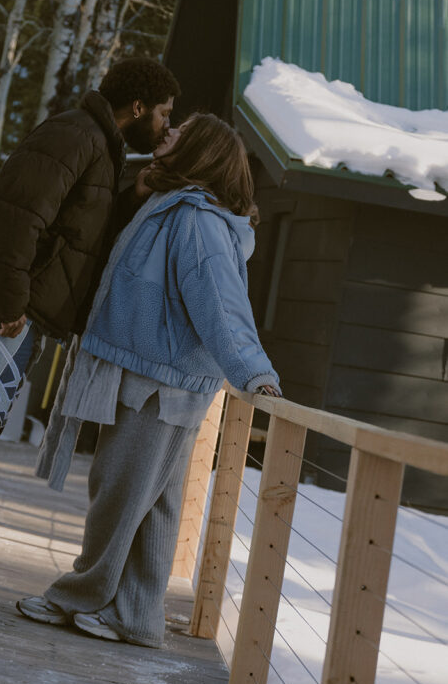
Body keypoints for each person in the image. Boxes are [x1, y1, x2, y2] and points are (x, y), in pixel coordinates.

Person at [0, 57, 181, 628]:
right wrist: (9, 304)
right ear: (137, 108)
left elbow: (74, 230)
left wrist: (131, 195)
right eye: (165, 113)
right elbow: (13, 216)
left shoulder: (97, 145)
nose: (165, 124)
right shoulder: (75, 134)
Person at [17, 113, 281, 648]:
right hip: (163, 374)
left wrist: (255, 373)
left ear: (200, 151)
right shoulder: (176, 205)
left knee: (118, 488)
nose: (168, 133)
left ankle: (80, 594)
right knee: (152, 501)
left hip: (161, 381)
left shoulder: (198, 220)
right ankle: (136, 616)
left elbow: (222, 306)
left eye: (180, 131)